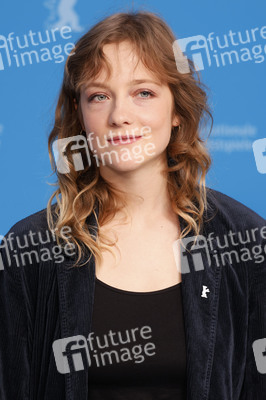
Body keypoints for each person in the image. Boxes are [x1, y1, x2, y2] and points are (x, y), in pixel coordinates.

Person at [0, 11, 265, 400]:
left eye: (143, 92)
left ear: (177, 111)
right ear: (80, 116)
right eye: (99, 96)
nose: (119, 116)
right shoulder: (31, 247)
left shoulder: (244, 239)